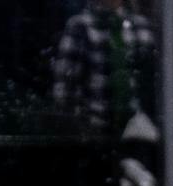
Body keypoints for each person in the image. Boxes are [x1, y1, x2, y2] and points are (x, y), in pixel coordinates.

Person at [49, 0, 158, 138]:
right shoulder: (80, 26)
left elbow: (152, 82)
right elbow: (64, 89)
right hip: (94, 132)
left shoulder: (141, 26)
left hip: (140, 133)